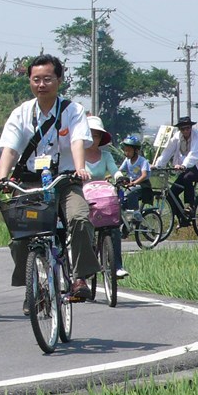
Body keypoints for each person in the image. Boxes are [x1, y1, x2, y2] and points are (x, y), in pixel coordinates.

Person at [0, 53, 100, 309]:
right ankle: (32, 284)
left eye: (47, 79)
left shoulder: (72, 110)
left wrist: (79, 169)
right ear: (30, 81)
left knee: (78, 218)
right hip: (30, 183)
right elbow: (9, 148)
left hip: (64, 180)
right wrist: (1, 179)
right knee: (21, 234)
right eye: (36, 79)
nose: (41, 84)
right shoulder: (21, 113)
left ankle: (80, 277)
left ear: (59, 80)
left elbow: (77, 141)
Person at [84, 115, 127, 279]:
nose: (92, 139)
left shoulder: (106, 155)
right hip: (84, 198)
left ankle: (117, 266)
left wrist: (119, 177)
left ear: (101, 138)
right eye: (89, 134)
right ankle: (85, 264)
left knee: (114, 228)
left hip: (103, 197)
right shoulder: (78, 154)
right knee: (83, 227)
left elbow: (114, 170)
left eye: (96, 135)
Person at [154, 116, 198, 217]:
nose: (185, 131)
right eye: (182, 129)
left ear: (191, 127)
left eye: (188, 128)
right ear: (179, 129)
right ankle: (183, 218)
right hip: (185, 167)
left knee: (187, 178)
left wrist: (184, 165)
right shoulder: (176, 137)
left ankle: (190, 205)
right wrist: (157, 165)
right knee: (171, 194)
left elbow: (194, 155)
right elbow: (167, 152)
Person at [115, 134, 153, 210]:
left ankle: (135, 214)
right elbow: (119, 170)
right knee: (119, 197)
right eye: (125, 150)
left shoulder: (142, 161)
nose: (126, 153)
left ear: (136, 151)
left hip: (143, 185)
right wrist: (110, 175)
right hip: (131, 184)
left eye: (129, 151)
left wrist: (134, 183)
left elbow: (144, 175)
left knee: (131, 192)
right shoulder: (127, 160)